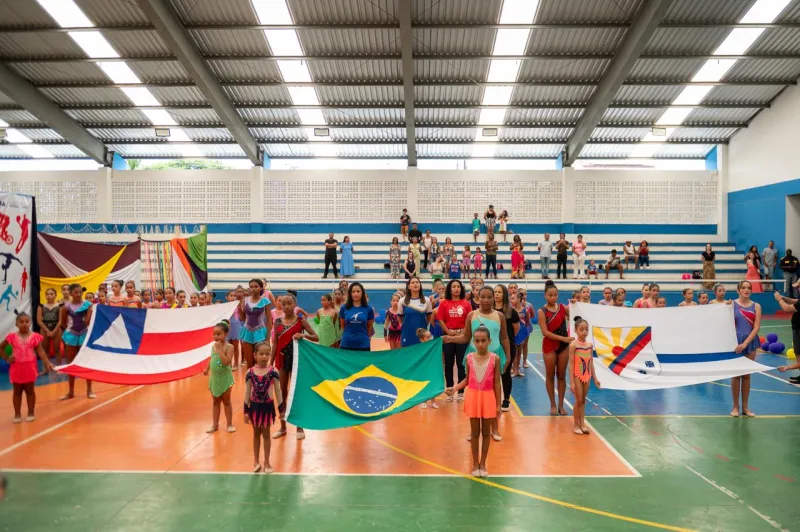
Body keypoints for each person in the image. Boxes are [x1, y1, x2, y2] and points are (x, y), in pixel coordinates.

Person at [443, 286, 510, 443]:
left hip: (493, 357)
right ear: (477, 298)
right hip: (475, 357)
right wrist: (451, 339)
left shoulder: (499, 316)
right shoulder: (472, 315)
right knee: (474, 389)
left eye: (489, 297)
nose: (486, 300)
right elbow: (466, 337)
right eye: (483, 297)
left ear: (494, 298)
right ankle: (474, 431)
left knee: (493, 391)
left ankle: (495, 428)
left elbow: (504, 338)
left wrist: (508, 356)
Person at [445, 326, 501, 478]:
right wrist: (455, 388)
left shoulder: (495, 358)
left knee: (486, 433)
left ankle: (483, 463)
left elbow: (497, 383)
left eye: (483, 341)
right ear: (473, 342)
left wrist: (498, 405)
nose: (480, 344)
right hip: (473, 397)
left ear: (489, 341)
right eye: (477, 341)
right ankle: (475, 463)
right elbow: (467, 380)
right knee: (475, 433)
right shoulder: (469, 358)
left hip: (488, 398)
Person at [271, 294, 318, 440]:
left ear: (295, 304)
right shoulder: (277, 322)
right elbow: (275, 345)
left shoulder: (300, 321)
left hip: (297, 361)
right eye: (283, 304)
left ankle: (299, 426)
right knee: (282, 393)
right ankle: (283, 426)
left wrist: (303, 336)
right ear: (280, 305)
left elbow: (316, 337)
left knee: (296, 393)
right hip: (282, 360)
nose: (286, 307)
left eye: (289, 303)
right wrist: (270, 364)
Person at [1, 313, 54, 423]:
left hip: (30, 368)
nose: (24, 324)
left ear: (30, 323)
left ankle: (30, 412)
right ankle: (17, 414)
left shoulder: (35, 336)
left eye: (27, 321)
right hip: (16, 368)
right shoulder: (12, 336)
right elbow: (1, 347)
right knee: (17, 392)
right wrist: (7, 358)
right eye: (21, 322)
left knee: (30, 391)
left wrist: (47, 363)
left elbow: (41, 351)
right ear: (16, 324)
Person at [244, 342, 282, 474]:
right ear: (255, 355)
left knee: (266, 434)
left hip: (267, 408)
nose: (264, 356)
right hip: (255, 408)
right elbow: (247, 392)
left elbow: (278, 391)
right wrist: (245, 410)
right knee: (256, 434)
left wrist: (281, 409)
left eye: (267, 354)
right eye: (261, 354)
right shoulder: (249, 372)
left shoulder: (273, 372)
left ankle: (267, 461)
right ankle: (256, 461)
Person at [538, 281, 573, 416]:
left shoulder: (563, 307)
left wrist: (575, 304)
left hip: (563, 347)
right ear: (545, 295)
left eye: (555, 295)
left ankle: (561, 405)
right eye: (550, 295)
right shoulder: (542, 311)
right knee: (550, 375)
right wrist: (564, 339)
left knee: (562, 376)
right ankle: (552, 404)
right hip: (550, 346)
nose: (553, 297)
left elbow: (577, 315)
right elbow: (545, 332)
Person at [437, 280, 472, 403]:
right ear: (449, 289)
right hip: (448, 337)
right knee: (448, 364)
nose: (456, 289)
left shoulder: (466, 304)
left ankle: (461, 391)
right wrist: (448, 332)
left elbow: (470, 320)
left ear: (461, 289)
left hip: (462, 336)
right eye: (454, 287)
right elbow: (440, 319)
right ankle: (450, 390)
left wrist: (464, 333)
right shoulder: (444, 303)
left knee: (461, 364)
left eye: (458, 287)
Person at [59, 284, 94, 400]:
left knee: (86, 362)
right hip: (71, 335)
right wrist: (70, 332)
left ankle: (89, 390)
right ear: (70, 293)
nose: (79, 294)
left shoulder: (88, 305)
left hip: (84, 334)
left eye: (80, 292)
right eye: (76, 292)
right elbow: (63, 323)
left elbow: (89, 321)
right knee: (71, 363)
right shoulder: (65, 307)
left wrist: (89, 313)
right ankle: (71, 392)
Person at [731, 281, 761, 418]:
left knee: (747, 375)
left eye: (749, 288)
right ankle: (735, 407)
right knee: (736, 375)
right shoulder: (732, 305)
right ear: (738, 290)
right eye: (743, 288)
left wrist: (746, 343)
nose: (746, 290)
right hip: (735, 343)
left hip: (750, 342)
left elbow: (756, 327)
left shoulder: (757, 306)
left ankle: (745, 407)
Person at [569, 315, 600, 435]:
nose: (584, 332)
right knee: (578, 400)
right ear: (576, 330)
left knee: (583, 401)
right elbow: (571, 365)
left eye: (586, 329)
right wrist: (571, 381)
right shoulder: (573, 345)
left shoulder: (589, 345)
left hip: (587, 376)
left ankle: (582, 423)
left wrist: (595, 378)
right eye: (581, 329)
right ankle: (576, 424)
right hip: (577, 375)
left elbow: (591, 362)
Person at [204, 321, 235, 434]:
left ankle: (230, 424)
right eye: (214, 334)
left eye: (219, 334)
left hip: (225, 378)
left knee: (226, 401)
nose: (216, 336)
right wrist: (207, 369)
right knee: (215, 401)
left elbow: (227, 362)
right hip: (214, 378)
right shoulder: (213, 347)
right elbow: (211, 358)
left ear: (226, 334)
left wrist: (219, 350)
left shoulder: (229, 347)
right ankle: (215, 425)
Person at [238, 279, 273, 370]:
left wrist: (268, 337)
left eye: (256, 287)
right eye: (251, 287)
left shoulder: (266, 301)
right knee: (249, 363)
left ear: (261, 288)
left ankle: (261, 382)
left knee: (260, 362)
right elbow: (243, 318)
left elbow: (269, 319)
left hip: (260, 332)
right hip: (247, 332)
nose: (253, 289)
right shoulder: (245, 300)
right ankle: (250, 383)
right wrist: (239, 306)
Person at [773, 291, 800, 384]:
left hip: (799, 330)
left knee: (799, 355)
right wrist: (784, 298)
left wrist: (779, 299)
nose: (798, 289)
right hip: (797, 329)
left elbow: (787, 308)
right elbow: (796, 301)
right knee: (798, 353)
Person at [339, 282, 374, 351]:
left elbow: (370, 327)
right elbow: (342, 325)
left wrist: (363, 337)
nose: (355, 294)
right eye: (353, 291)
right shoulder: (344, 308)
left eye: (358, 291)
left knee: (363, 362)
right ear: (350, 293)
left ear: (362, 293)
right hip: (346, 343)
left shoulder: (369, 309)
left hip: (363, 344)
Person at [399, 277, 432, 350]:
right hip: (407, 333)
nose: (415, 284)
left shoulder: (426, 300)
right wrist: (406, 325)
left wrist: (423, 325)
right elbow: (399, 317)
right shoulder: (402, 301)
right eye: (412, 282)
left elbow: (429, 316)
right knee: (407, 355)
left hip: (422, 334)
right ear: (409, 286)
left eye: (417, 282)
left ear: (420, 285)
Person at [37, 288, 62, 365]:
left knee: (57, 350)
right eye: (47, 294)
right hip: (44, 328)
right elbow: (39, 321)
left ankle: (59, 367)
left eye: (51, 294)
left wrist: (54, 331)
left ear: (55, 295)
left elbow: (61, 320)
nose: (49, 296)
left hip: (56, 328)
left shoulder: (60, 306)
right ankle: (46, 368)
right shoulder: (41, 306)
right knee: (45, 350)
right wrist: (47, 330)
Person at [511, 293, 529, 377]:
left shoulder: (525, 310)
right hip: (514, 332)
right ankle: (514, 370)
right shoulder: (511, 310)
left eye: (513, 298)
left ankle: (517, 370)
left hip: (522, 332)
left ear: (519, 299)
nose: (511, 300)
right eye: (511, 299)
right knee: (515, 352)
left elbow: (527, 322)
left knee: (519, 352)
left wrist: (525, 331)